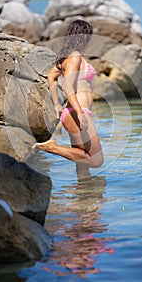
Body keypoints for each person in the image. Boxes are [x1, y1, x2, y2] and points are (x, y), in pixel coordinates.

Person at [32, 20, 104, 172]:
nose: (88, 40)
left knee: (82, 162)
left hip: (74, 113)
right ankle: (52, 147)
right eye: (86, 36)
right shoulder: (75, 56)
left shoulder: (67, 57)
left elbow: (51, 76)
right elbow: (67, 85)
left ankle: (83, 193)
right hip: (76, 113)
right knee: (96, 160)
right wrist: (79, 112)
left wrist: (57, 104)